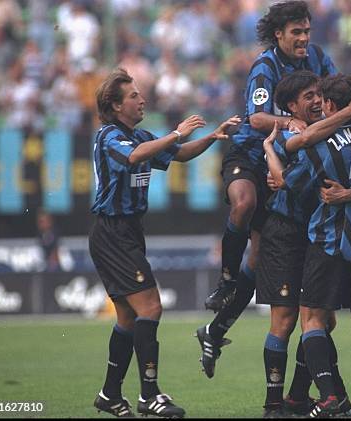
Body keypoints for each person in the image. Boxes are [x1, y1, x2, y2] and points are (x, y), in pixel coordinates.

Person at [89, 68, 240, 418]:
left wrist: (213, 137)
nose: (142, 99)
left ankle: (110, 394)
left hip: (127, 233)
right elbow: (134, 157)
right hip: (113, 232)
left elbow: (178, 155)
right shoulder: (109, 136)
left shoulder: (138, 134)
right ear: (114, 105)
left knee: (128, 316)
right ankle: (149, 395)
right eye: (133, 96)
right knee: (151, 308)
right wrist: (175, 132)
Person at [197, 0, 337, 377]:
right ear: (279, 34)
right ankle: (225, 282)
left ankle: (215, 330)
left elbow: (337, 98)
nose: (305, 38)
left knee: (259, 260)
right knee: (243, 203)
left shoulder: (320, 59)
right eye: (297, 32)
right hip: (250, 154)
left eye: (307, 31)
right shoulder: (266, 64)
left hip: (285, 163)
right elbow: (257, 117)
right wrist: (293, 121)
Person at [265, 75, 351, 417]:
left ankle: (327, 397)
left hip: (328, 238)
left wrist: (270, 151)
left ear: (329, 105)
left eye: (321, 100)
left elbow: (287, 179)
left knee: (312, 319)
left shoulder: (318, 146)